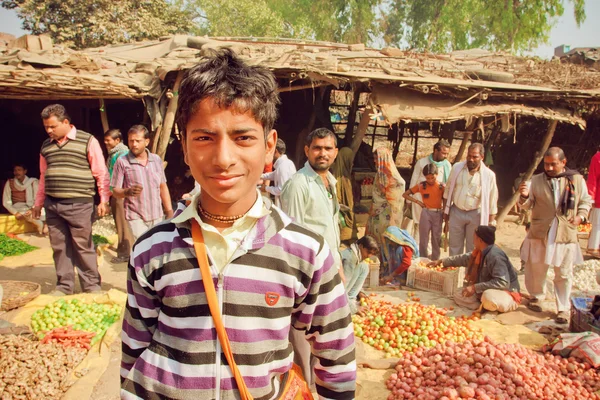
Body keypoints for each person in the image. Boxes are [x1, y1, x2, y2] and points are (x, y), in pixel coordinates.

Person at [121, 50, 356, 400]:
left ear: (269, 146)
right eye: (204, 138)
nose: (223, 158)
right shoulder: (152, 250)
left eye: (243, 137)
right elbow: (133, 352)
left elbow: (336, 357)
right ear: (183, 147)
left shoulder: (306, 251)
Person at [32, 104, 109, 296]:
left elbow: (101, 172)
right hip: (52, 204)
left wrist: (104, 200)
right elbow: (43, 176)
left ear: (66, 122)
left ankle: (91, 286)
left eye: (52, 126)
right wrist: (38, 203)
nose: (49, 131)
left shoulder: (87, 140)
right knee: (59, 247)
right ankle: (64, 285)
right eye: (46, 127)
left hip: (79, 204)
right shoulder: (46, 146)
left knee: (83, 246)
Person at [518, 147, 592, 323]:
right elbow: (528, 205)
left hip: (564, 232)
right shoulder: (536, 181)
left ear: (563, 162)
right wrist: (524, 197)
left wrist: (580, 216)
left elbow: (585, 201)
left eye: (553, 164)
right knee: (536, 267)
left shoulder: (576, 180)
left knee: (564, 272)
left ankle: (563, 309)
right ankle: (536, 296)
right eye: (546, 164)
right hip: (540, 230)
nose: (549, 168)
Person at [280, 128, 343, 278]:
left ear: (335, 152)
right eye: (317, 148)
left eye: (328, 148)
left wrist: (338, 264)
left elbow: (329, 229)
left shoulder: (330, 181)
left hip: (331, 265)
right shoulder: (298, 184)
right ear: (307, 150)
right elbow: (293, 236)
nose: (323, 154)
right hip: (312, 270)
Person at [429, 225, 521, 313]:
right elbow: (463, 259)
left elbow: (503, 282)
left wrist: (475, 287)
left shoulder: (495, 256)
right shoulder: (480, 252)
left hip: (506, 293)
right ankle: (484, 306)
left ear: (480, 240)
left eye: (474, 237)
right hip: (487, 290)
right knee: (459, 294)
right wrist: (442, 261)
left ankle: (488, 305)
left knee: (488, 297)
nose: (473, 240)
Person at [110, 125, 173, 242]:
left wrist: (169, 211)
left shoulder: (156, 160)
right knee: (144, 247)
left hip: (157, 215)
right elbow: (115, 191)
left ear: (147, 141)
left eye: (138, 141)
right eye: (131, 141)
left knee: (158, 248)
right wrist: (126, 192)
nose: (134, 144)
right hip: (135, 217)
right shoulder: (122, 162)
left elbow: (162, 186)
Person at [443, 143, 498, 256]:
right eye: (469, 156)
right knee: (454, 246)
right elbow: (448, 190)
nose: (471, 159)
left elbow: (492, 200)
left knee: (473, 248)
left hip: (475, 215)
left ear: (482, 157)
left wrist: (490, 223)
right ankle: (453, 272)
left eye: (475, 157)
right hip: (456, 211)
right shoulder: (457, 168)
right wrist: (446, 212)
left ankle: (469, 273)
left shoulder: (489, 175)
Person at [366, 147, 406, 264]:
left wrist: (386, 194)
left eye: (377, 159)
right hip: (377, 213)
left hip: (387, 214)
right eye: (374, 159)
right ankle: (378, 263)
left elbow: (399, 187)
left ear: (383, 159)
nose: (375, 162)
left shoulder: (393, 177)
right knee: (376, 238)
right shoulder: (379, 175)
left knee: (386, 239)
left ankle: (388, 265)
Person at [407, 139, 451, 243]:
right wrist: (409, 201)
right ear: (436, 150)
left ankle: (429, 255)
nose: (445, 156)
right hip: (420, 200)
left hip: (436, 202)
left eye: (447, 154)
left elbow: (448, 185)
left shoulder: (447, 165)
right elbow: (414, 180)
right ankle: (417, 252)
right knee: (419, 225)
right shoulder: (422, 162)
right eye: (443, 153)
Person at [403, 163, 445, 260]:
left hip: (438, 214)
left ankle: (435, 259)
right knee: (423, 238)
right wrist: (417, 202)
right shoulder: (422, 186)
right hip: (426, 213)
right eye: (428, 178)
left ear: (437, 175)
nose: (430, 180)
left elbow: (446, 199)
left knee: (436, 238)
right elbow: (405, 194)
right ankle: (423, 259)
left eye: (432, 178)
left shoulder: (441, 187)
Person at [103, 129, 132, 263]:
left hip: (121, 193)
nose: (106, 142)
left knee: (122, 223)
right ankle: (125, 250)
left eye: (108, 140)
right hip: (117, 192)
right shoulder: (115, 154)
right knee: (120, 222)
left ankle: (124, 253)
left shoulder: (121, 154)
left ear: (117, 141)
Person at [2, 164, 45, 234]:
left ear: (25, 171)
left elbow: (38, 198)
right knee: (35, 219)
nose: (17, 172)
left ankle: (43, 230)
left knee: (44, 214)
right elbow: (6, 201)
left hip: (32, 207)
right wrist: (15, 212)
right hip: (18, 208)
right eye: (15, 170)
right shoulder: (10, 182)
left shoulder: (33, 182)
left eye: (19, 170)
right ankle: (42, 230)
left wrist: (32, 209)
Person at [341, 235, 379, 313]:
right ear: (361, 246)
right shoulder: (350, 259)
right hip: (337, 292)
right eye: (368, 252)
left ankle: (351, 298)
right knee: (363, 266)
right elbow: (341, 288)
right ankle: (348, 303)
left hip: (343, 289)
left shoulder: (354, 254)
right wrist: (354, 309)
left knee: (364, 266)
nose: (369, 256)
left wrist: (360, 292)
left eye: (372, 254)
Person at [259, 138, 296, 207]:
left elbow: (281, 189)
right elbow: (274, 175)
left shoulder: (283, 166)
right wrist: (259, 176)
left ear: (275, 151)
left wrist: (266, 188)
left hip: (286, 206)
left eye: (270, 151)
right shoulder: (284, 164)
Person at [332, 146, 357, 241]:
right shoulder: (342, 179)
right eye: (351, 160)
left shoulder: (342, 175)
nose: (352, 163)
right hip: (345, 220)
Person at [586, 146, 600, 258]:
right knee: (598, 224)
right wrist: (591, 197)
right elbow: (592, 179)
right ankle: (595, 249)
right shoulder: (597, 158)